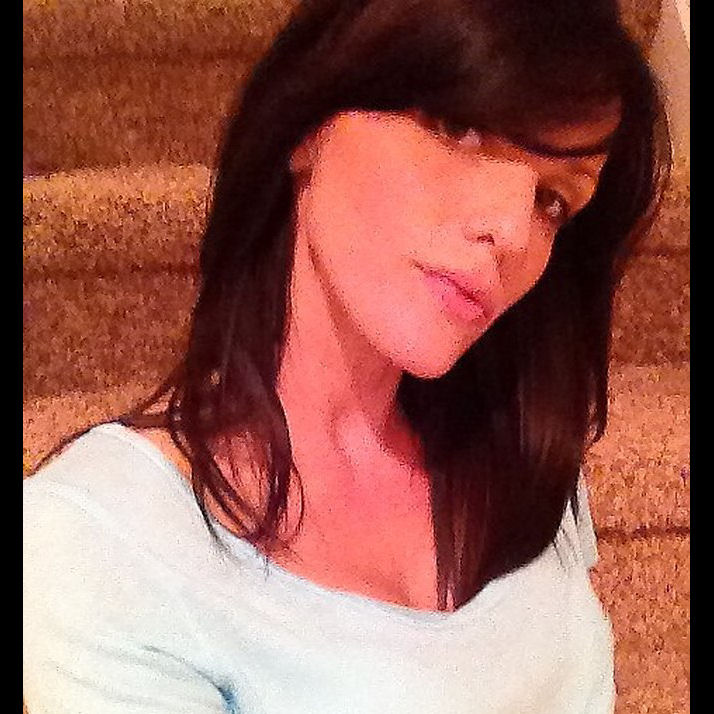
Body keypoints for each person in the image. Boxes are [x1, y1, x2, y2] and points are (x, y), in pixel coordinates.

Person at [23, 0, 671, 711]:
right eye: (459, 129)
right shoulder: (102, 541)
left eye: (553, 200)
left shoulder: (523, 450)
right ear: (310, 125)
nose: (514, 232)